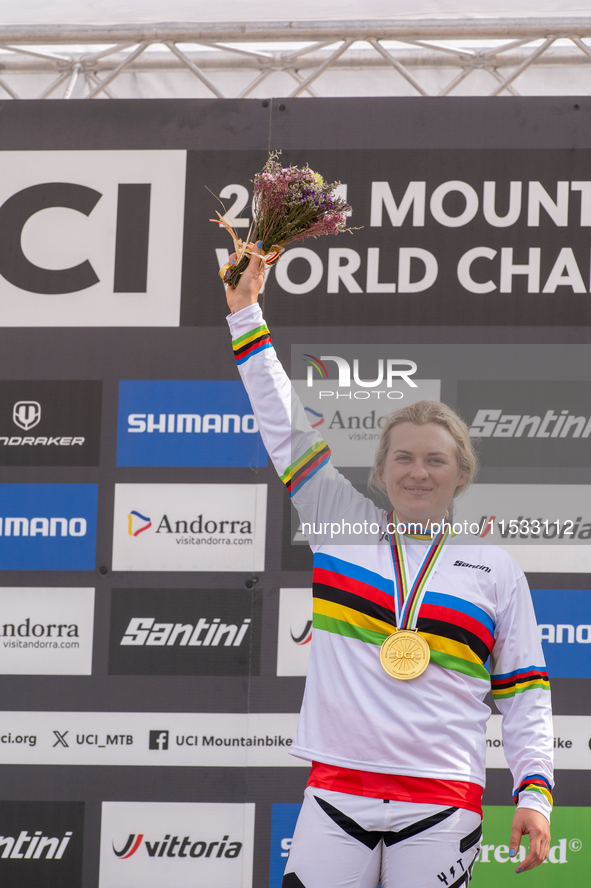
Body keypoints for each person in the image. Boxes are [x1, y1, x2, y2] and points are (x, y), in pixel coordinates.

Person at [224, 244, 553, 888]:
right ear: (380, 472)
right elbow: (283, 426)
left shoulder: (496, 569)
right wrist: (245, 313)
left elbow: (524, 695)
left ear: (462, 474)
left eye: (435, 459)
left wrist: (535, 793)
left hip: (441, 805)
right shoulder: (338, 525)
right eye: (402, 458)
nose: (417, 471)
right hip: (336, 795)